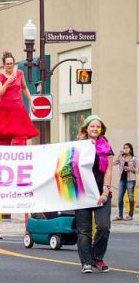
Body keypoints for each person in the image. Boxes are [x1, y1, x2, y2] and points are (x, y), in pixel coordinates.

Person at [75, 115, 114, 274]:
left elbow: (109, 169)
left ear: (101, 129)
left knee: (104, 226)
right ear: (86, 128)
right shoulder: (78, 145)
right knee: (84, 230)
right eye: (92, 126)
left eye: (98, 126)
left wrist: (105, 191)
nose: (95, 129)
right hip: (83, 192)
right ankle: (86, 262)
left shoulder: (106, 147)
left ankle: (97, 257)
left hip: (101, 191)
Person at [0, 51, 39, 145]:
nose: (9, 65)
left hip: (18, 109)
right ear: (4, 65)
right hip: (5, 110)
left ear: (14, 64)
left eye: (11, 63)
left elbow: (24, 88)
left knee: (21, 136)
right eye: (7, 64)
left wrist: (31, 102)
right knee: (2, 137)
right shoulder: (0, 76)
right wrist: (7, 82)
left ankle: (20, 156)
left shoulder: (19, 73)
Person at [113, 142, 137, 221]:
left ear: (130, 149)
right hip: (122, 180)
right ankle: (120, 216)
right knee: (120, 198)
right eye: (124, 148)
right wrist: (119, 154)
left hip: (131, 180)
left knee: (130, 197)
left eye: (127, 148)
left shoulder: (134, 158)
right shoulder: (121, 158)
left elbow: (137, 169)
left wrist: (130, 169)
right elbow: (114, 162)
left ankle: (130, 215)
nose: (125, 149)